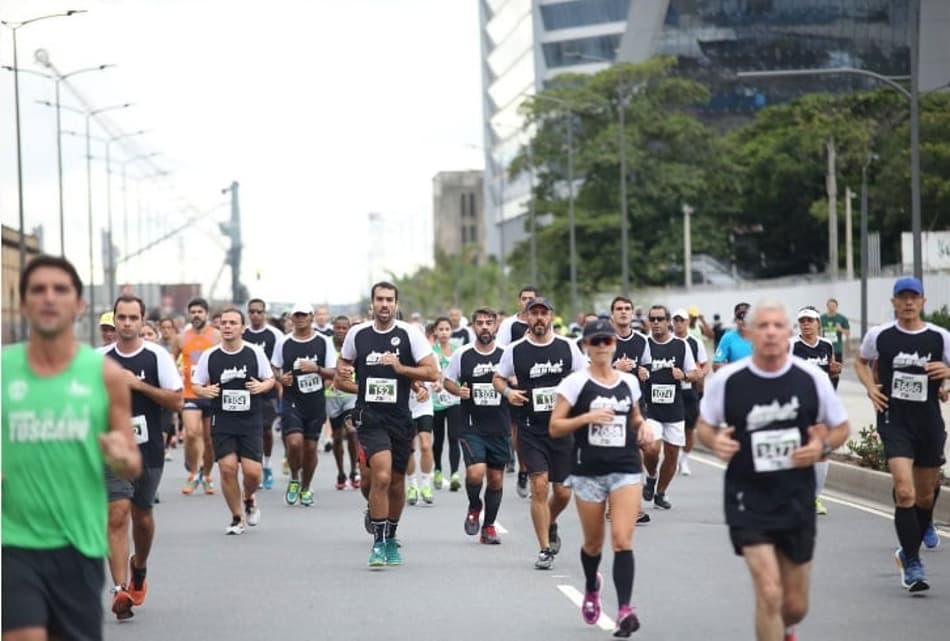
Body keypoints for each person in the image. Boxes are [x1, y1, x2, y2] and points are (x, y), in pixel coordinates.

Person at [2, 255, 141, 641]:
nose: (49, 298)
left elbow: (132, 462)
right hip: (14, 541)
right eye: (38, 290)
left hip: (78, 543)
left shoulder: (105, 376)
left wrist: (119, 455)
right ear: (24, 303)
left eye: (60, 290)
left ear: (79, 305)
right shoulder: (3, 370)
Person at [697, 300, 849, 641]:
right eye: (762, 326)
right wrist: (715, 440)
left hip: (796, 496)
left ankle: (789, 627)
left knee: (794, 604)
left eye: (778, 326)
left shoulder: (811, 378)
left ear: (788, 333)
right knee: (768, 591)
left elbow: (841, 428)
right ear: (749, 333)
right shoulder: (729, 380)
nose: (770, 332)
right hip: (747, 496)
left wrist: (821, 447)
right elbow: (704, 426)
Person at [550, 319, 654, 637]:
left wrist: (644, 427)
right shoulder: (575, 383)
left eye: (606, 341)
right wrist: (587, 417)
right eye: (595, 342)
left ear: (614, 344)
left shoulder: (628, 382)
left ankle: (624, 610)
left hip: (625, 467)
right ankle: (592, 587)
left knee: (622, 539)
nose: (601, 347)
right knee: (594, 545)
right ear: (585, 346)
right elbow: (555, 427)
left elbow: (634, 415)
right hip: (588, 471)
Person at [855, 277, 949, 592]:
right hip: (894, 419)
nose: (908, 303)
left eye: (914, 297)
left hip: (929, 422)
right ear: (894, 302)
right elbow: (861, 360)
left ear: (923, 301)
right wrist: (870, 387)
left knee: (924, 496)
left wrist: (949, 374)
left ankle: (909, 547)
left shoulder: (940, 337)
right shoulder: (880, 335)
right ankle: (912, 561)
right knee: (905, 492)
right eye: (902, 297)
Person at [335, 281, 439, 567]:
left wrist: (400, 369)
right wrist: (359, 387)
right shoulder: (357, 334)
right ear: (372, 304)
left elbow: (432, 372)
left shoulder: (410, 335)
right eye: (379, 299)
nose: (384, 304)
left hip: (400, 417)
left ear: (396, 304)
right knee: (380, 477)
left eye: (389, 299)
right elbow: (339, 378)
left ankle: (391, 535)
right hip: (370, 418)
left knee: (395, 482)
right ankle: (378, 543)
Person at [102, 295, 183, 620]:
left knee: (142, 515)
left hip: (147, 449)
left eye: (132, 318)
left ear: (141, 320)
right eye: (120, 317)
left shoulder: (157, 357)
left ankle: (140, 566)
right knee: (117, 513)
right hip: (111, 448)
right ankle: (120, 588)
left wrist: (138, 385)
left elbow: (176, 401)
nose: (125, 323)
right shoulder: (99, 359)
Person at [494, 296, 586, 570]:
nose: (539, 319)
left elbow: (583, 379)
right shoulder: (515, 350)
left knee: (563, 493)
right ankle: (544, 548)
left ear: (551, 317)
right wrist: (509, 392)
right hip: (530, 428)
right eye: (533, 313)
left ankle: (551, 519)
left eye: (543, 313)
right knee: (539, 485)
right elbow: (497, 378)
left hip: (561, 428)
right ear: (526, 317)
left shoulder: (567, 347)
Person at [443, 308, 509, 544]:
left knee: (495, 480)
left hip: (500, 426)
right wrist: (457, 390)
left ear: (495, 326)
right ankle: (474, 506)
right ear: (472, 326)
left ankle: (489, 526)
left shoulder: (506, 354)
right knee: (475, 472)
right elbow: (447, 380)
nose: (484, 327)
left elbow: (516, 380)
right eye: (479, 323)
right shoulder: (463, 354)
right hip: (471, 425)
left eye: (488, 323)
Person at [272, 303, 337, 507]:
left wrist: (316, 368)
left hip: (315, 402)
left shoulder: (323, 342)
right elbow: (274, 367)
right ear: (291, 318)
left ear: (311, 317)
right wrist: (281, 379)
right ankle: (294, 478)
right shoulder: (284, 342)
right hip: (292, 401)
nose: (299, 318)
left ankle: (306, 486)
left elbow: (334, 372)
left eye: (303, 315)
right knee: (294, 443)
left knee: (310, 449)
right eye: (296, 315)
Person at [642, 306, 698, 510]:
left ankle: (660, 492)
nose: (656, 323)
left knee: (672, 453)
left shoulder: (681, 346)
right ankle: (650, 476)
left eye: (660, 319)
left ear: (668, 322)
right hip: (651, 408)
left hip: (674, 408)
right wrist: (640, 373)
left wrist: (683, 376)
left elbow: (695, 373)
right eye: (652, 319)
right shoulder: (644, 344)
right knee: (651, 448)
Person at [790, 306, 840, 515]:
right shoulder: (791, 345)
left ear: (818, 323)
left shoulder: (827, 345)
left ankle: (814, 498)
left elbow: (832, 374)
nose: (806, 325)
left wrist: (835, 372)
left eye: (810, 321)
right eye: (802, 321)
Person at [496, 285, 539, 498]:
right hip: (516, 384)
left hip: (541, 384)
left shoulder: (543, 321)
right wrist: (511, 376)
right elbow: (500, 351)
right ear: (519, 301)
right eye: (524, 298)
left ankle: (537, 470)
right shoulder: (509, 324)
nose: (527, 301)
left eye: (531, 298)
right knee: (519, 430)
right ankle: (524, 469)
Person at [180, 298, 221, 495]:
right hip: (190, 392)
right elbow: (170, 360)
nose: (196, 315)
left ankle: (207, 475)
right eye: (193, 311)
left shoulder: (216, 337)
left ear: (206, 313)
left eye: (199, 311)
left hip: (212, 393)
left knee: (209, 439)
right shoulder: (181, 338)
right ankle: (194, 473)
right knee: (190, 433)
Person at [242, 298, 284, 490]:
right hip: (245, 389)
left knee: (266, 429)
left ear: (264, 313)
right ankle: (253, 468)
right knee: (250, 431)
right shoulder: (242, 333)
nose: (255, 315)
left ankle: (266, 465)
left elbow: (279, 364)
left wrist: (279, 386)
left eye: (259, 311)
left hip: (267, 388)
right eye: (252, 311)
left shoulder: (275, 335)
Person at [672, 308, 709, 477]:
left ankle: (684, 458)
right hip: (671, 391)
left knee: (689, 428)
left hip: (690, 390)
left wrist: (700, 373)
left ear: (687, 322)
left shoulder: (695, 342)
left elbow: (704, 364)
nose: (679, 323)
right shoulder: (668, 342)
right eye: (676, 320)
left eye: (682, 320)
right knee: (673, 427)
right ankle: (673, 456)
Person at [326, 315, 361, 490]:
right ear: (333, 328)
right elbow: (321, 368)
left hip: (350, 395)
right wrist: (328, 379)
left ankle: (354, 470)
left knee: (352, 431)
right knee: (337, 437)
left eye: (344, 328)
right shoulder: (327, 345)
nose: (341, 331)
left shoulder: (354, 345)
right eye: (338, 328)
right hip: (331, 396)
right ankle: (341, 473)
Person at [432, 316, 463, 491]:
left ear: (451, 332)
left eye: (447, 329)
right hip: (436, 401)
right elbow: (429, 374)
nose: (444, 332)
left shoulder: (458, 351)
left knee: (454, 437)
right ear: (435, 331)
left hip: (454, 399)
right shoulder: (431, 351)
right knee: (438, 438)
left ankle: (454, 474)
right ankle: (437, 470)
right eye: (440, 329)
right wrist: (434, 384)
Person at [820, 298, 850, 390]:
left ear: (837, 307)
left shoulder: (842, 318)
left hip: (837, 349)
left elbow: (848, 333)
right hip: (824, 349)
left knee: (836, 372)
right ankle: (826, 389)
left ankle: (833, 390)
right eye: (830, 306)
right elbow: (817, 331)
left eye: (834, 306)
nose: (832, 308)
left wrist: (840, 329)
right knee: (824, 370)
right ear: (827, 307)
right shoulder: (822, 318)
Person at [713, 302, 753, 371]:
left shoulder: (762, 336)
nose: (744, 320)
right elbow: (716, 365)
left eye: (747, 317)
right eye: (740, 317)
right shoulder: (727, 338)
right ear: (735, 320)